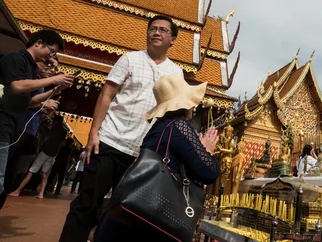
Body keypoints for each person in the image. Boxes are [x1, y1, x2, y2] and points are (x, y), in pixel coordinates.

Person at [60, 15, 184, 242]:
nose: (156, 33)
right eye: (153, 29)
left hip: (142, 154)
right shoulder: (129, 59)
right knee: (86, 205)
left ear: (173, 39)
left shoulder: (176, 73)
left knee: (124, 215)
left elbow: (176, 112)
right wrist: (94, 133)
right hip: (109, 141)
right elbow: (107, 94)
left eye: (163, 30)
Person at [95, 74, 219, 241]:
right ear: (186, 104)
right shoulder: (178, 125)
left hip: (128, 218)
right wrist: (207, 150)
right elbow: (209, 172)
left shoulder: (160, 126)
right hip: (146, 223)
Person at [0, 30, 72, 197]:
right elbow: (16, 86)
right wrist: (53, 80)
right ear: (38, 43)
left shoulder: (31, 69)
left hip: (12, 127)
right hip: (2, 121)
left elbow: (31, 101)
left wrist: (55, 89)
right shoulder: (16, 58)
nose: (50, 57)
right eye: (51, 51)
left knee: (6, 178)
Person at [9, 115, 67, 198]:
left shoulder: (54, 128)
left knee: (31, 171)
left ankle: (17, 190)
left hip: (45, 151)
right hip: (52, 154)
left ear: (56, 121)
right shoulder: (63, 131)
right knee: (44, 173)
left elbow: (46, 138)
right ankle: (41, 193)